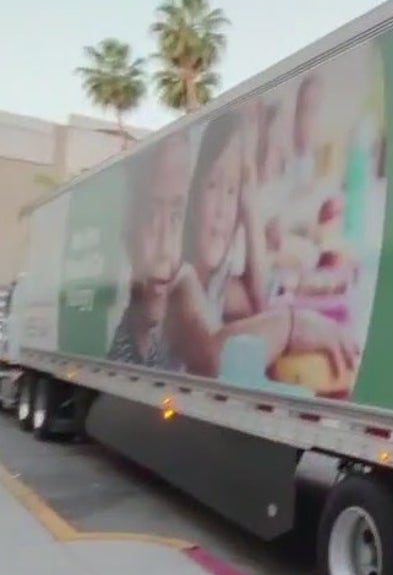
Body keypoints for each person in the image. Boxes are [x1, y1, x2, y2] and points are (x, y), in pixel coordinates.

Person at [165, 111, 359, 380]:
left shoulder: (214, 283)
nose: (222, 209)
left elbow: (257, 302)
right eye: (212, 185)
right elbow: (214, 362)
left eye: (232, 191)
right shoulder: (179, 280)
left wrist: (250, 211)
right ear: (191, 194)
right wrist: (292, 324)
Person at [106, 131, 192, 369]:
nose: (165, 249)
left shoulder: (184, 352)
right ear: (128, 229)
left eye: (176, 217)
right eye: (151, 215)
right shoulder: (117, 358)